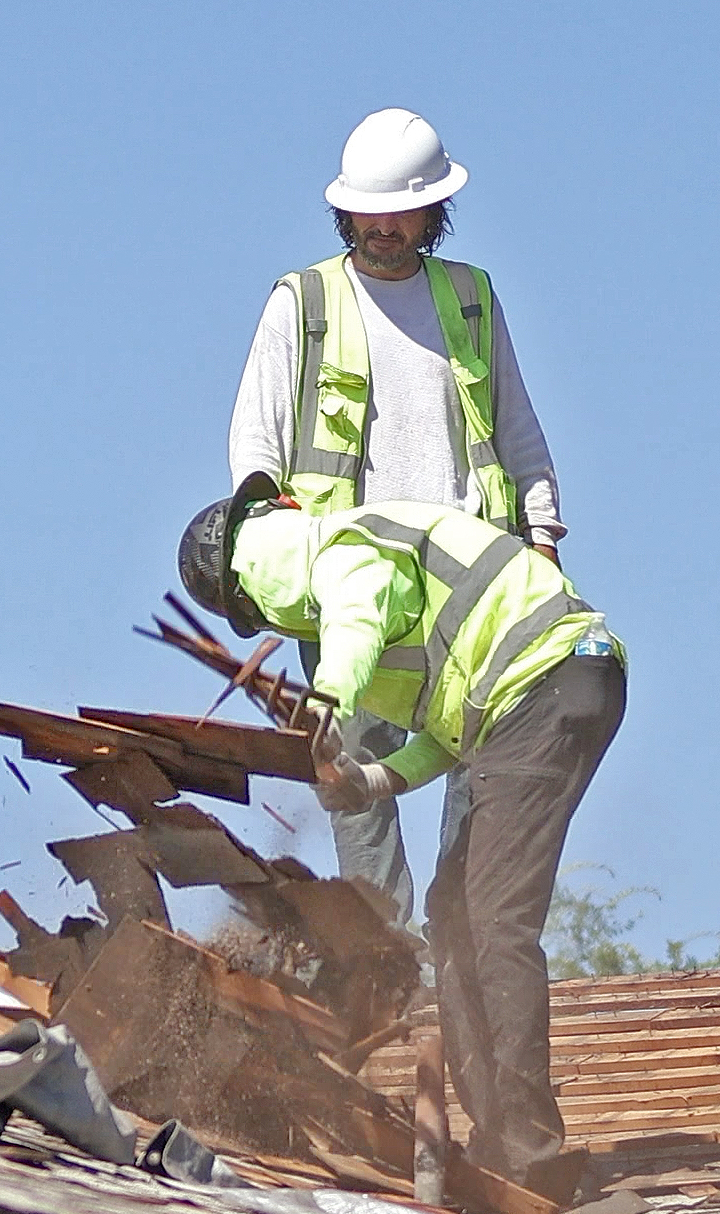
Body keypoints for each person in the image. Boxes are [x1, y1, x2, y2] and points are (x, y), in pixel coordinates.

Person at [178, 472, 625, 1183]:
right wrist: (369, 781)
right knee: (455, 919)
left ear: (252, 583)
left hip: (545, 683)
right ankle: (499, 1143)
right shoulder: (361, 588)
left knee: (493, 922)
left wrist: (322, 711)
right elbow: (447, 736)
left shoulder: (343, 550)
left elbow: (355, 620)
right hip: (529, 701)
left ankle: (530, 1159)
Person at [224, 108, 567, 926]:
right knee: (353, 773)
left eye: (400, 211)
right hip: (350, 578)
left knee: (474, 769)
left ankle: (457, 943)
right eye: (368, 212)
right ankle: (384, 958)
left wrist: (544, 535)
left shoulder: (470, 299)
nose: (383, 228)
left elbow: (516, 425)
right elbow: (255, 439)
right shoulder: (303, 301)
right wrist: (269, 540)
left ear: (433, 210)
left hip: (466, 582)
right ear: (345, 211)